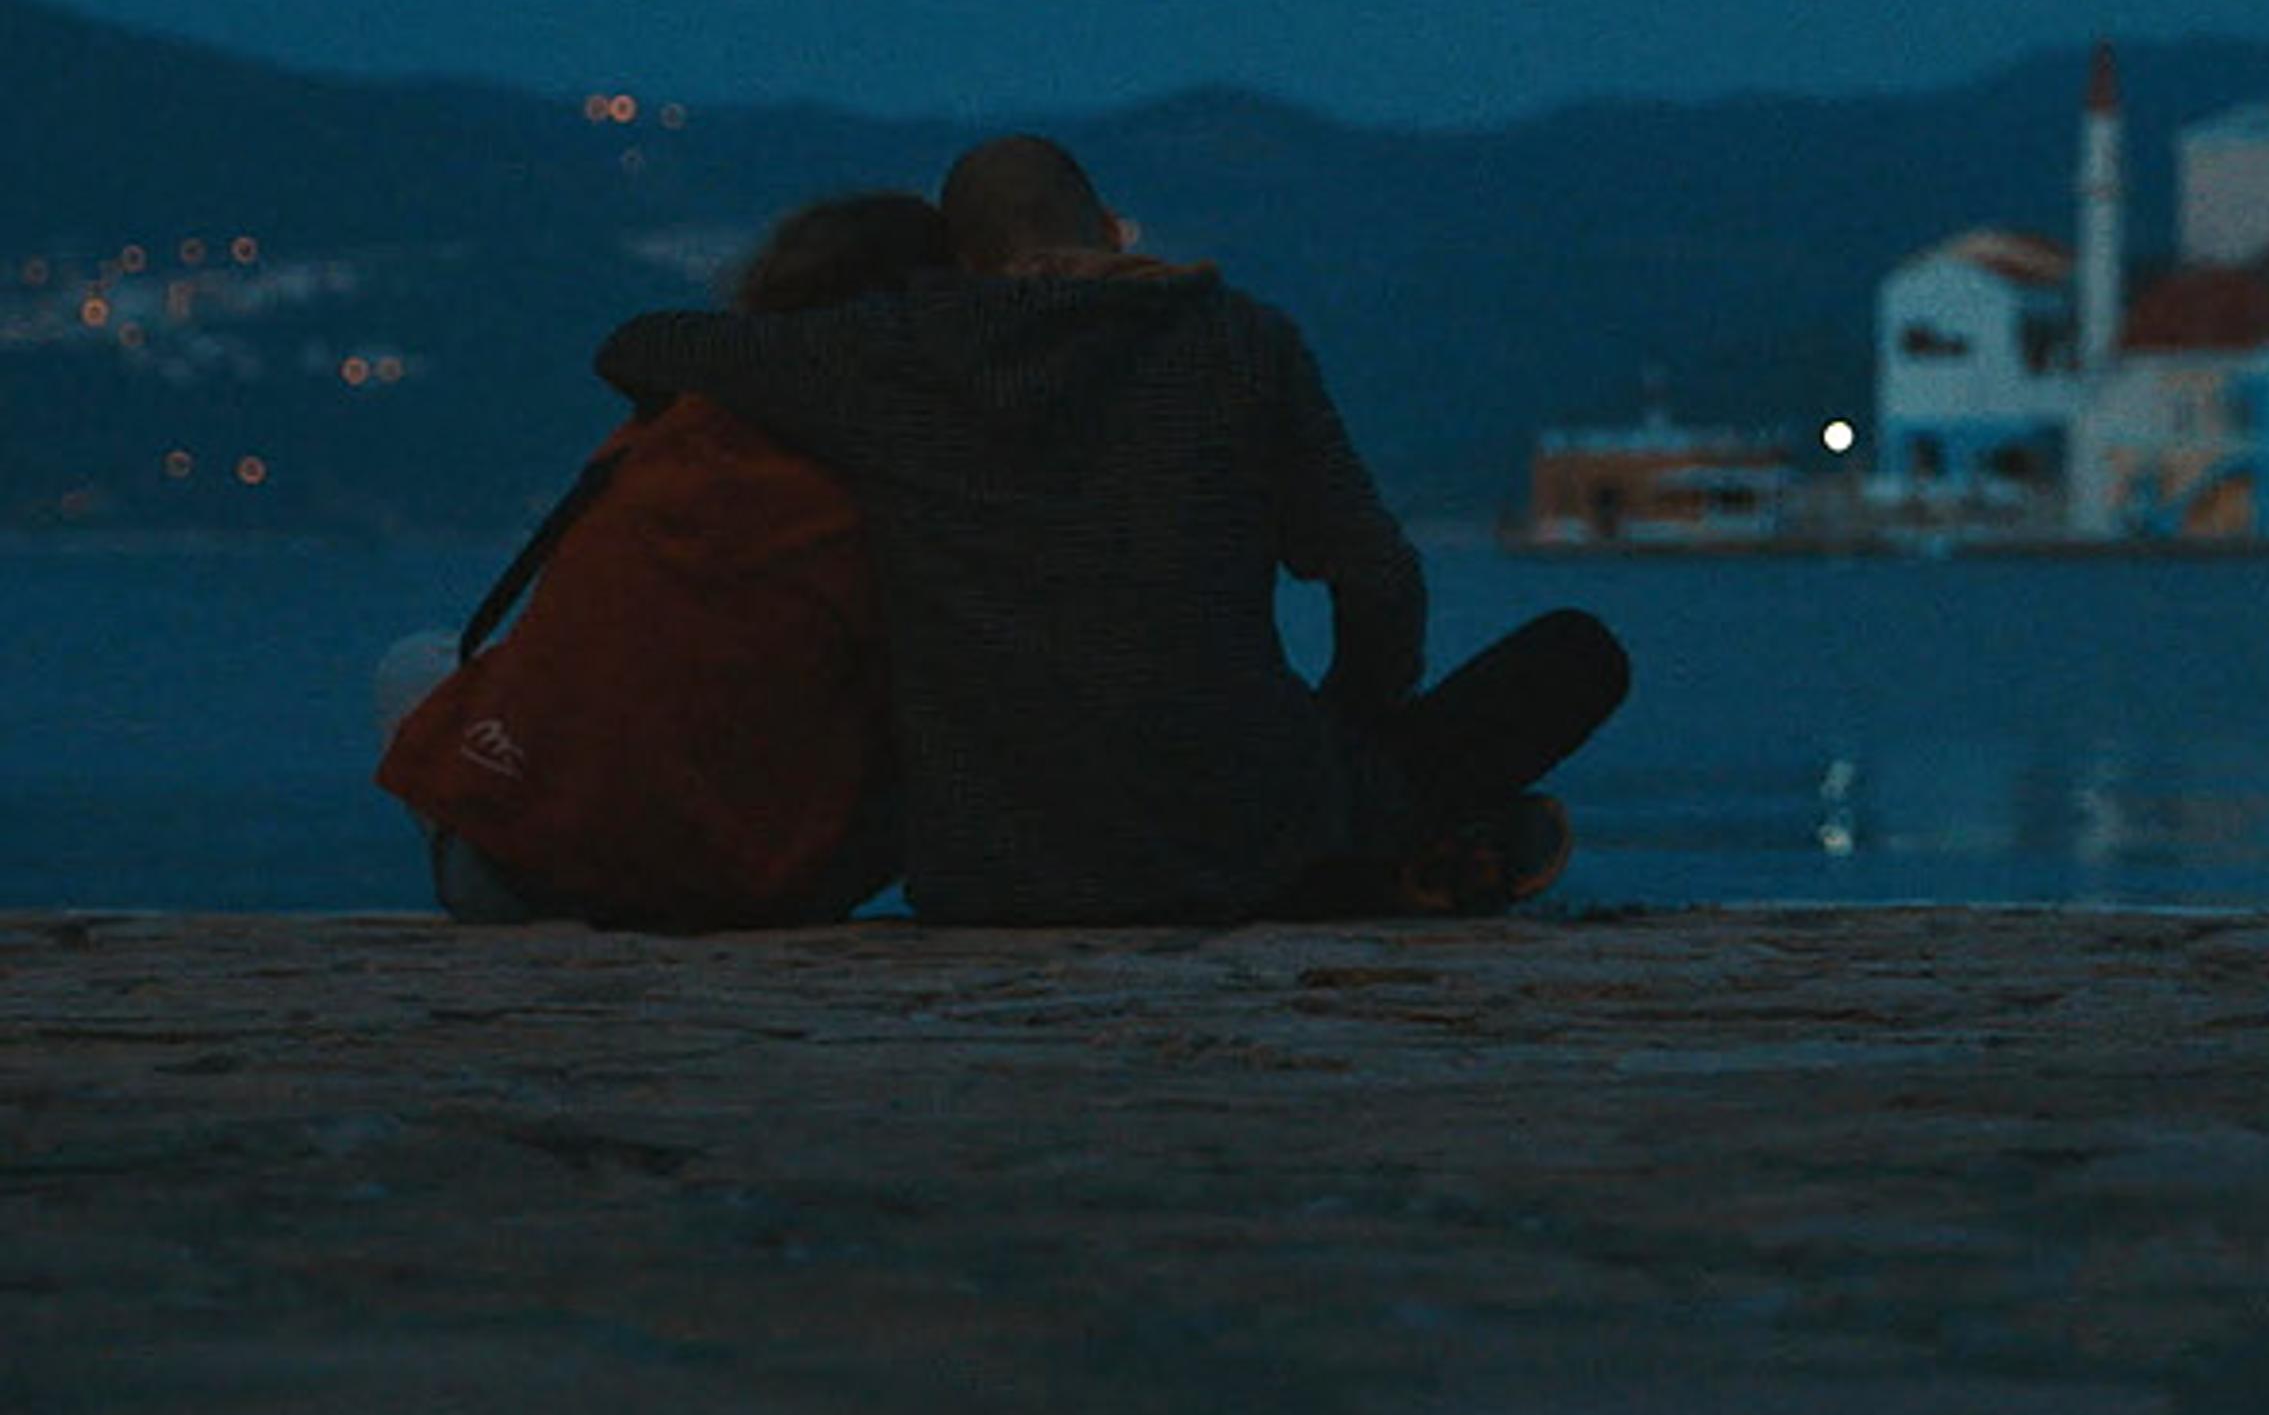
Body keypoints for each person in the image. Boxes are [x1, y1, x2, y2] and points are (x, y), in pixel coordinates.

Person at [589, 134, 1628, 925]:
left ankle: (1367, 847)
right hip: (1243, 826)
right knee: (1578, 654)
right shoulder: (1239, 341)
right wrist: (1351, 724)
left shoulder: (889, 357)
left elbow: (641, 341)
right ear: (1106, 227)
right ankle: (1377, 843)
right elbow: (1378, 575)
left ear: (963, 258)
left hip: (990, 873)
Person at [376, 191, 953, 929]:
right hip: (740, 895)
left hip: (510, 877)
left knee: (414, 664)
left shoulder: (666, 438)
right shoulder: (886, 482)